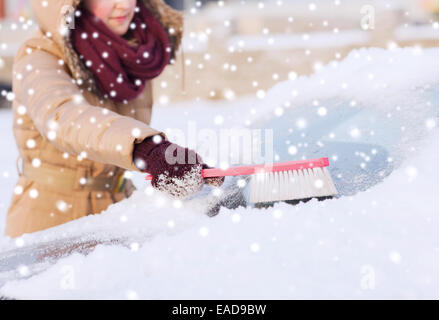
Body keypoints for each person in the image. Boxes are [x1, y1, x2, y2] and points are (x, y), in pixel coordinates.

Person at [4, 0, 224, 238]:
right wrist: (147, 149)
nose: (124, 5)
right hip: (49, 220)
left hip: (116, 210)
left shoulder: (134, 53)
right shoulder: (39, 54)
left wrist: (173, 162)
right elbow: (63, 116)